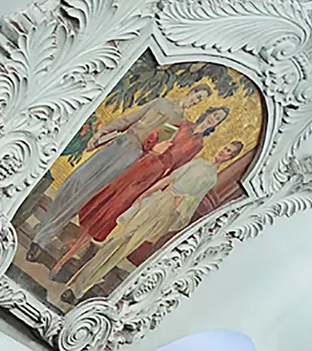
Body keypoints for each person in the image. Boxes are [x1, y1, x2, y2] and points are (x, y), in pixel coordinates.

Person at [27, 85, 212, 257]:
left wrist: (151, 152)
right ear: (191, 91)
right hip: (119, 142)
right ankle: (44, 227)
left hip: (132, 154)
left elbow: (154, 144)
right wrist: (103, 132)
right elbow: (129, 119)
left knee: (86, 193)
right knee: (75, 180)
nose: (195, 101)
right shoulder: (161, 102)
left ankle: (42, 238)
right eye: (197, 96)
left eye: (200, 100)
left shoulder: (178, 121)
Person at [60, 140, 244, 304]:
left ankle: (79, 290)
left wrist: (183, 202)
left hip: (168, 212)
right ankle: (76, 283)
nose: (223, 152)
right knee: (116, 241)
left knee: (123, 250)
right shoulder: (197, 163)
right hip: (158, 201)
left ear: (230, 158)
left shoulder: (211, 179)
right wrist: (146, 194)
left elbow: (193, 202)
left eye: (229, 152)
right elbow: (169, 179)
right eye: (225, 148)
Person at [52, 107, 229, 272]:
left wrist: (160, 186)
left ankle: (74, 250)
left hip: (154, 175)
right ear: (208, 113)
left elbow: (178, 167)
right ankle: (75, 244)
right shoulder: (182, 125)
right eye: (214, 115)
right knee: (108, 197)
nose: (213, 119)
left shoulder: (198, 144)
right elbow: (156, 135)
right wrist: (154, 146)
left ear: (216, 125)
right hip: (143, 163)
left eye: (218, 119)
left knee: (116, 208)